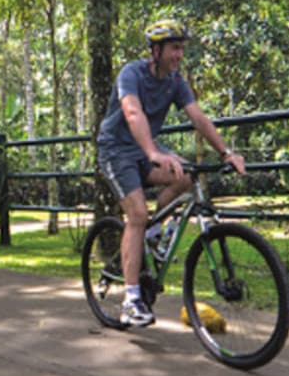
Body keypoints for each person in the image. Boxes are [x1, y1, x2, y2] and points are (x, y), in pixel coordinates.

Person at [96, 18, 246, 328]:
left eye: (181, 49)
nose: (179, 55)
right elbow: (132, 113)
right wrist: (153, 153)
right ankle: (131, 301)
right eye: (174, 48)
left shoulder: (176, 81)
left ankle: (152, 235)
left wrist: (226, 152)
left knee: (185, 177)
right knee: (137, 214)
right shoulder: (131, 74)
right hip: (116, 150)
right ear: (156, 50)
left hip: (144, 148)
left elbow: (198, 118)